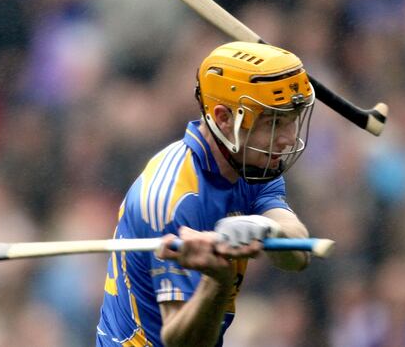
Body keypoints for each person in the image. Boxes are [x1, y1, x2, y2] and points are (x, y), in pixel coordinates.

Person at [96, 41, 317, 347]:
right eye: (274, 123)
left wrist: (269, 230)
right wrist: (219, 279)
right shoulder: (173, 198)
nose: (287, 139)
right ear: (224, 118)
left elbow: (298, 255)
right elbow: (182, 342)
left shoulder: (251, 163)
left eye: (292, 121)